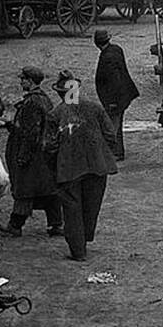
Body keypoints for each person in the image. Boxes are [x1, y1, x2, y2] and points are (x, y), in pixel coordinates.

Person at [44, 70, 118, 262]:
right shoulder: (95, 108)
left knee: (72, 209)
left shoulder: (55, 114)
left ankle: (78, 250)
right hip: (97, 166)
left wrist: (55, 167)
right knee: (91, 206)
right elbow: (111, 135)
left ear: (60, 93)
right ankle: (84, 237)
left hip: (68, 170)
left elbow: (49, 147)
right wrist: (101, 153)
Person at [0, 67, 64, 238]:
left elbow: (30, 133)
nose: (21, 82)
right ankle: (56, 224)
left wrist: (22, 157)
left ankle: (15, 225)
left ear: (30, 81)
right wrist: (9, 125)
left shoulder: (32, 102)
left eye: (23, 79)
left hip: (33, 156)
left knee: (25, 190)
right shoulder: (44, 99)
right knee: (48, 190)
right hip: (43, 156)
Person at [94, 28, 140, 161]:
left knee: (112, 126)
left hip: (115, 98)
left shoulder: (108, 57)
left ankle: (115, 153)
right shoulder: (116, 49)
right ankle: (117, 152)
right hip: (123, 95)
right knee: (116, 124)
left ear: (96, 43)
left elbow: (115, 81)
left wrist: (113, 101)